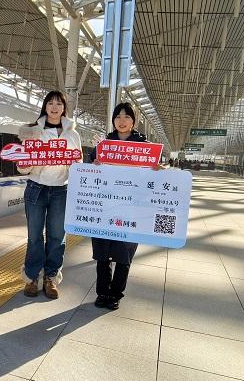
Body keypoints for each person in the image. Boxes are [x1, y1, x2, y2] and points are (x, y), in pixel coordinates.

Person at [17, 90, 82, 300]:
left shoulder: (73, 134)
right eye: (50, 103)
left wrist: (73, 165)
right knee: (34, 236)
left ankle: (51, 278)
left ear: (64, 108)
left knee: (57, 236)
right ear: (45, 107)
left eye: (59, 103)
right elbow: (22, 166)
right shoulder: (32, 131)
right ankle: (32, 277)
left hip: (61, 189)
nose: (54, 107)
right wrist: (26, 163)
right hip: (36, 187)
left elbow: (78, 163)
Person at [91, 102, 155, 310]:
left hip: (132, 207)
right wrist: (95, 164)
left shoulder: (145, 147)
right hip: (105, 205)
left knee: (124, 252)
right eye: (118, 116)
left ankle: (116, 293)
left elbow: (153, 174)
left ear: (133, 121)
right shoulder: (104, 145)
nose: (122, 120)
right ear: (113, 120)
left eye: (127, 116)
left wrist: (157, 169)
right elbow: (91, 171)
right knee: (102, 251)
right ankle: (102, 292)